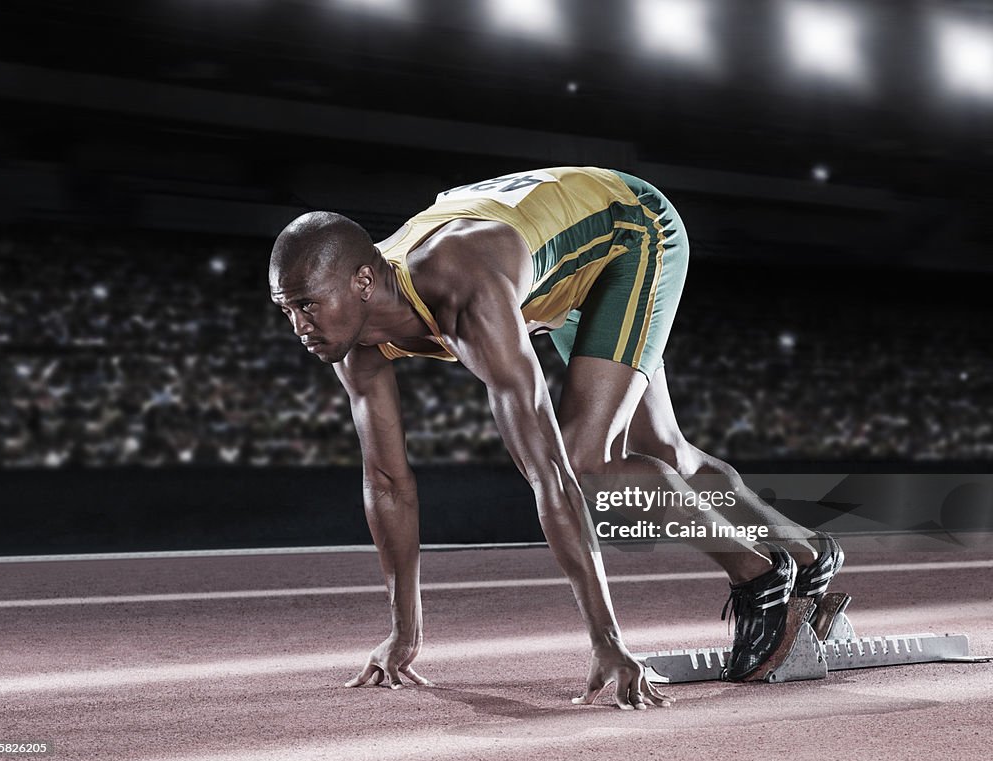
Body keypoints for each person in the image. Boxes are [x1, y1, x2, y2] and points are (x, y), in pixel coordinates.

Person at [268, 167, 844, 709]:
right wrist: (403, 632)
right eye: (286, 309)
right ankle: (806, 549)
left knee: (586, 462)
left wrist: (606, 637)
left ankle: (760, 576)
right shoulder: (352, 337)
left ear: (364, 281)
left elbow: (551, 475)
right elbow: (389, 483)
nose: (298, 327)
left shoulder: (465, 291)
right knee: (663, 451)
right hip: (556, 277)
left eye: (306, 305)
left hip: (629, 232)